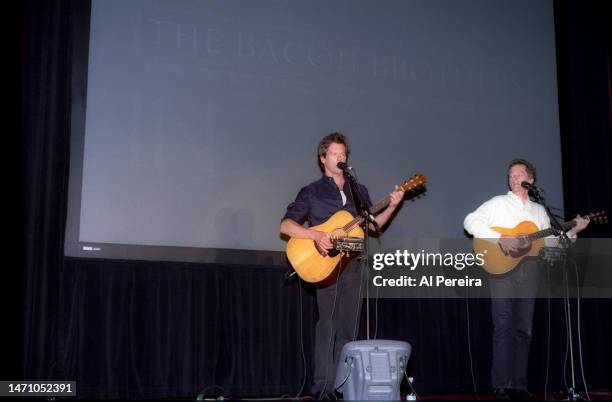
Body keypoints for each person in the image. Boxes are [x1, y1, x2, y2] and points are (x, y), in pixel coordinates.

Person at [280, 132, 405, 398]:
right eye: (335, 154)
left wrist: (392, 206)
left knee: (348, 328)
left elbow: (374, 226)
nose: (340, 157)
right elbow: (286, 225)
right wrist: (317, 235)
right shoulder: (312, 191)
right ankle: (322, 387)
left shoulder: (359, 191)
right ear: (323, 158)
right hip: (325, 263)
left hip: (354, 263)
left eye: (343, 153)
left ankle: (340, 385)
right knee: (328, 324)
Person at [463, 159, 589, 401]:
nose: (513, 178)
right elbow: (470, 222)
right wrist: (501, 237)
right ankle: (501, 385)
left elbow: (549, 243)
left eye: (518, 174)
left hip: (530, 272)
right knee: (502, 328)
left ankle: (519, 385)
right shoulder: (498, 204)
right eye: (510, 174)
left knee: (524, 329)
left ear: (530, 180)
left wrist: (572, 231)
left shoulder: (539, 212)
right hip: (501, 270)